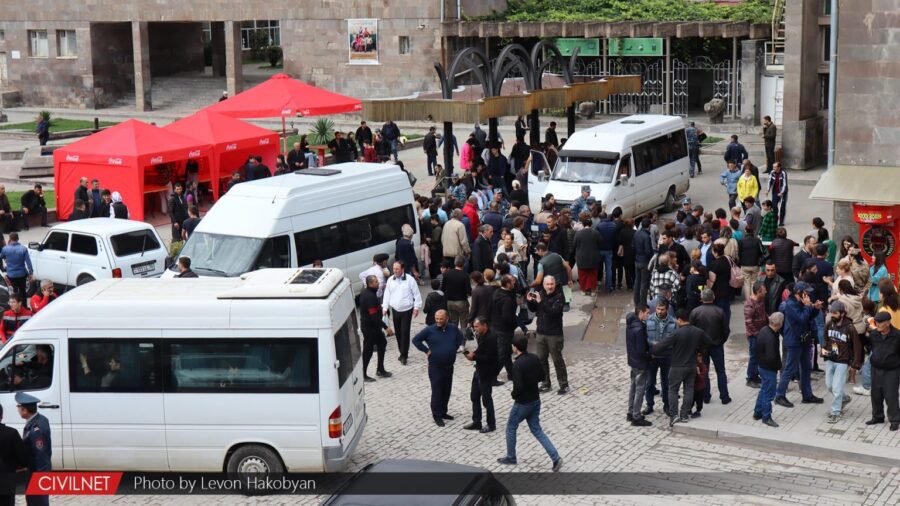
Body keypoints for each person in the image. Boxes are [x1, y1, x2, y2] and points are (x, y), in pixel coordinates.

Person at [496, 335, 563, 471]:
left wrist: (513, 395)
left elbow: (518, 387)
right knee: (537, 430)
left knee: (511, 427)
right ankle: (555, 457)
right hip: (535, 400)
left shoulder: (517, 365)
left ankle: (511, 456)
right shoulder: (534, 358)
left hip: (522, 403)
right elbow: (542, 376)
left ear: (515, 347)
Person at [651, 309, 716, 426]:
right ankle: (685, 414)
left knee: (673, 390)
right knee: (688, 390)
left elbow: (660, 347)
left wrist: (652, 348)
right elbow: (710, 342)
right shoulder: (698, 332)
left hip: (676, 366)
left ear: (680, 320)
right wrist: (699, 350)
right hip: (691, 366)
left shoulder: (676, 333)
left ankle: (674, 415)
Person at [775, 281, 824, 408]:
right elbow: (802, 318)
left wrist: (815, 309)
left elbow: (809, 317)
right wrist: (808, 306)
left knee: (806, 367)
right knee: (789, 369)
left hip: (804, 340)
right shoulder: (790, 305)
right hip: (794, 341)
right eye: (806, 292)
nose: (808, 294)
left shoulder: (801, 302)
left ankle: (807, 395)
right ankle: (780, 395)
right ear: (798, 292)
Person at [412, 310, 464, 427]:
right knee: (437, 391)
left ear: (447, 318)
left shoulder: (453, 328)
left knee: (446, 390)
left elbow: (460, 338)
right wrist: (426, 350)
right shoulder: (429, 330)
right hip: (436, 367)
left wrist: (456, 347)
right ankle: (436, 415)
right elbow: (416, 340)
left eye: (441, 319)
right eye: (437, 319)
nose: (438, 321)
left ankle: (443, 412)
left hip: (449, 367)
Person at [527, 275, 569, 395]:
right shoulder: (541, 294)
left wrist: (541, 302)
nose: (550, 286)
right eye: (548, 284)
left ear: (555, 284)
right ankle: (545, 383)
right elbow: (534, 309)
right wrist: (529, 302)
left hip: (554, 334)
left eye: (552, 284)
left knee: (557, 360)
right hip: (541, 332)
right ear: (544, 285)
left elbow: (553, 313)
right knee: (541, 359)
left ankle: (564, 384)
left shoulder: (559, 296)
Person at [822, 301, 862, 423]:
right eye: (831, 312)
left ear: (842, 313)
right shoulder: (829, 324)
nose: (832, 315)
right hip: (831, 359)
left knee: (836, 388)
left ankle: (836, 412)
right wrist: (823, 349)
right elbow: (825, 339)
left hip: (843, 362)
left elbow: (857, 346)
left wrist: (855, 364)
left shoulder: (850, 328)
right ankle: (844, 398)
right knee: (829, 385)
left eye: (835, 313)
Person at [690, 289, 731, 404]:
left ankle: (705, 396)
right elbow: (726, 330)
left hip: (702, 347)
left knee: (704, 371)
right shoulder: (719, 311)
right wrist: (721, 341)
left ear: (701, 298)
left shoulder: (695, 312)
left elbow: (691, 330)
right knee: (721, 371)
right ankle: (724, 396)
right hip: (717, 345)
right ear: (713, 297)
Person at [382, 261, 422, 366]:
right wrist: (385, 307)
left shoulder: (410, 279)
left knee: (405, 332)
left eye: (397, 269)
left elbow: (416, 294)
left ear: (403, 269)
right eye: (394, 269)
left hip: (407, 309)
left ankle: (404, 355)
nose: (395, 271)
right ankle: (401, 351)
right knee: (398, 332)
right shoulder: (390, 280)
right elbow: (387, 294)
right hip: (395, 309)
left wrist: (416, 307)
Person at [463, 316, 499, 433]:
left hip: (486, 373)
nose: (475, 329)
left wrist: (475, 357)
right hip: (478, 371)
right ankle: (477, 422)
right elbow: (481, 351)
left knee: (486, 400)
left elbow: (490, 358)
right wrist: (473, 355)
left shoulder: (491, 338)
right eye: (474, 327)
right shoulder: (481, 335)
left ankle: (491, 424)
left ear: (485, 325)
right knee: (474, 396)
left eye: (477, 326)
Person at [866, 311, 900, 431]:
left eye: (880, 322)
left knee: (891, 395)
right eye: (876, 322)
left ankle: (895, 420)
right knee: (876, 394)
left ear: (888, 323)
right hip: (876, 369)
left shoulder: (897, 335)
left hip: (892, 371)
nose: (877, 325)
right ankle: (878, 417)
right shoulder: (874, 334)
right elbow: (870, 347)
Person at [17, 391, 52, 506]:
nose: (17, 409)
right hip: (36, 470)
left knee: (37, 501)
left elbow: (40, 454)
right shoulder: (41, 419)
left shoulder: (36, 430)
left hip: (37, 472)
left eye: (18, 407)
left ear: (25, 410)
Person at [645, 299, 676, 416]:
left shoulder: (673, 323)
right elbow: (644, 337)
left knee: (666, 383)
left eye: (662, 309)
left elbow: (676, 339)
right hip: (653, 357)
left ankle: (666, 405)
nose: (659, 311)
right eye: (658, 309)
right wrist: (652, 344)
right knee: (649, 383)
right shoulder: (649, 320)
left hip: (667, 357)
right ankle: (649, 405)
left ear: (667, 309)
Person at [359, 275, 393, 382]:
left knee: (382, 343)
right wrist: (386, 327)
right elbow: (373, 316)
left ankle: (380, 369)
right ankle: (363, 374)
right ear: (370, 284)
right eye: (375, 282)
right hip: (369, 328)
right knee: (368, 350)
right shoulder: (369, 296)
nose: (378, 283)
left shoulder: (369, 293)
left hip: (374, 327)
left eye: (377, 281)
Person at [754, 312, 784, 427]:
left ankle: (758, 412)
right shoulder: (771, 337)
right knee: (769, 393)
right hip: (769, 369)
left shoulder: (764, 330)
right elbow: (771, 357)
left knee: (763, 390)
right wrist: (777, 366)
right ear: (779, 324)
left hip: (762, 366)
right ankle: (766, 417)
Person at [626, 303, 653, 427]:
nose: (648, 315)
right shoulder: (640, 329)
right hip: (640, 363)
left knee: (633, 387)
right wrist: (650, 356)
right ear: (641, 313)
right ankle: (636, 416)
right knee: (640, 389)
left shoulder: (630, 324)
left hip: (633, 361)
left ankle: (630, 412)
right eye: (647, 313)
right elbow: (642, 350)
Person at [0, 402, 30, 505]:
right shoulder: (11, 433)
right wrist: (15, 466)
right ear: (1, 416)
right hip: (6, 479)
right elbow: (24, 459)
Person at [490, 274, 518, 383]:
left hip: (496, 327)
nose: (514, 283)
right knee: (503, 355)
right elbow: (507, 317)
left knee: (506, 353)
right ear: (507, 284)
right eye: (512, 282)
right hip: (504, 330)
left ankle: (511, 374)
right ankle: (492, 377)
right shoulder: (507, 299)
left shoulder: (497, 292)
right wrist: (514, 324)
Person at [744, 282, 769, 387]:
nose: (766, 292)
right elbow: (748, 322)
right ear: (758, 292)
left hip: (761, 333)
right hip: (754, 336)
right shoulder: (749, 305)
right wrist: (757, 334)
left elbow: (763, 313)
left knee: (759, 356)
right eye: (764, 291)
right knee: (754, 356)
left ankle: (755, 375)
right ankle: (750, 378)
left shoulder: (761, 300)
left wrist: (768, 319)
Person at [573, 214, 601, 296]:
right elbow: (601, 243)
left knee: (582, 274)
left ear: (583, 224)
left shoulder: (578, 233)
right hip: (593, 257)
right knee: (593, 274)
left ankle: (583, 290)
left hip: (581, 257)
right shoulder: (596, 233)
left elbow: (574, 244)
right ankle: (593, 290)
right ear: (591, 224)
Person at [1, 232, 33, 304]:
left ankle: (15, 306)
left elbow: (2, 256)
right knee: (23, 291)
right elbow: (28, 262)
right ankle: (24, 306)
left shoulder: (5, 249)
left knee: (14, 292)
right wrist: (30, 273)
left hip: (11, 274)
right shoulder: (23, 249)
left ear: (10, 239)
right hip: (22, 274)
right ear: (18, 239)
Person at [633, 217, 654, 305]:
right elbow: (648, 251)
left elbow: (633, 246)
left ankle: (636, 301)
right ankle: (643, 303)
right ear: (649, 226)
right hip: (644, 262)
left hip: (637, 260)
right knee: (644, 284)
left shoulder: (636, 233)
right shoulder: (646, 237)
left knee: (637, 282)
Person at [766, 162, 789, 226]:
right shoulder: (772, 172)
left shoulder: (783, 173)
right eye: (773, 167)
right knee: (774, 206)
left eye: (775, 167)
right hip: (775, 192)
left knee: (782, 207)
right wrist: (767, 190)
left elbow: (784, 183)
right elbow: (770, 181)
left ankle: (781, 221)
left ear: (779, 167)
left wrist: (782, 192)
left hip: (782, 193)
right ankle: (775, 219)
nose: (773, 168)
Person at [691, 352, 709, 418]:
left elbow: (702, 378)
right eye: (697, 356)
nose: (698, 357)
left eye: (700, 356)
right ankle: (689, 409)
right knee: (691, 399)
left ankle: (698, 411)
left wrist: (698, 372)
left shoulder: (703, 366)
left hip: (700, 388)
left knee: (699, 400)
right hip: (693, 387)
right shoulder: (694, 364)